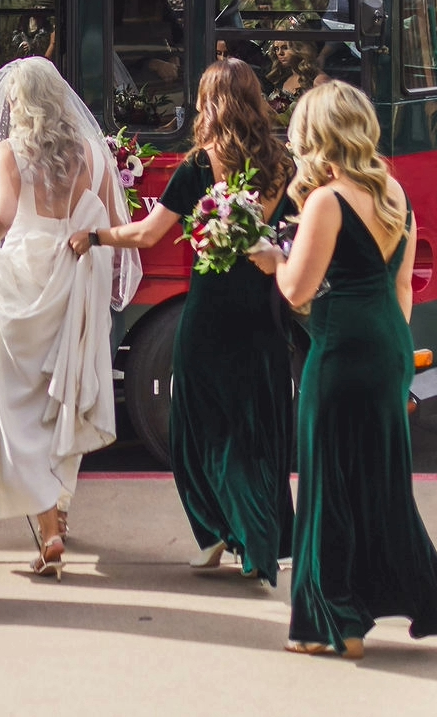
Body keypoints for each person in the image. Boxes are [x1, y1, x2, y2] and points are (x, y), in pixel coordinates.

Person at [72, 60, 295, 581]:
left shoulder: (198, 166)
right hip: (263, 310)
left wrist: (97, 236)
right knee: (252, 425)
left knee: (197, 428)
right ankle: (238, 534)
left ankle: (229, 531)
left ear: (211, 102)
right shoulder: (281, 165)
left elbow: (149, 235)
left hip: (211, 313)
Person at [277, 80, 437, 657]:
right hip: (390, 347)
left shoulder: (325, 201)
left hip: (341, 350)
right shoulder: (395, 195)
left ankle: (330, 623)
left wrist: (271, 258)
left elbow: (296, 291)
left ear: (315, 135)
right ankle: (381, 599)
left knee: (326, 482)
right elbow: (403, 296)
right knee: (378, 482)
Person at [0, 57, 140, 578]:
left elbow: (0, 218)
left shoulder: (10, 152)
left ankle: (26, 523)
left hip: (15, 289)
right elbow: (118, 225)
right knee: (57, 402)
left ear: (19, 104)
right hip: (70, 286)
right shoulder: (92, 154)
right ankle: (56, 514)